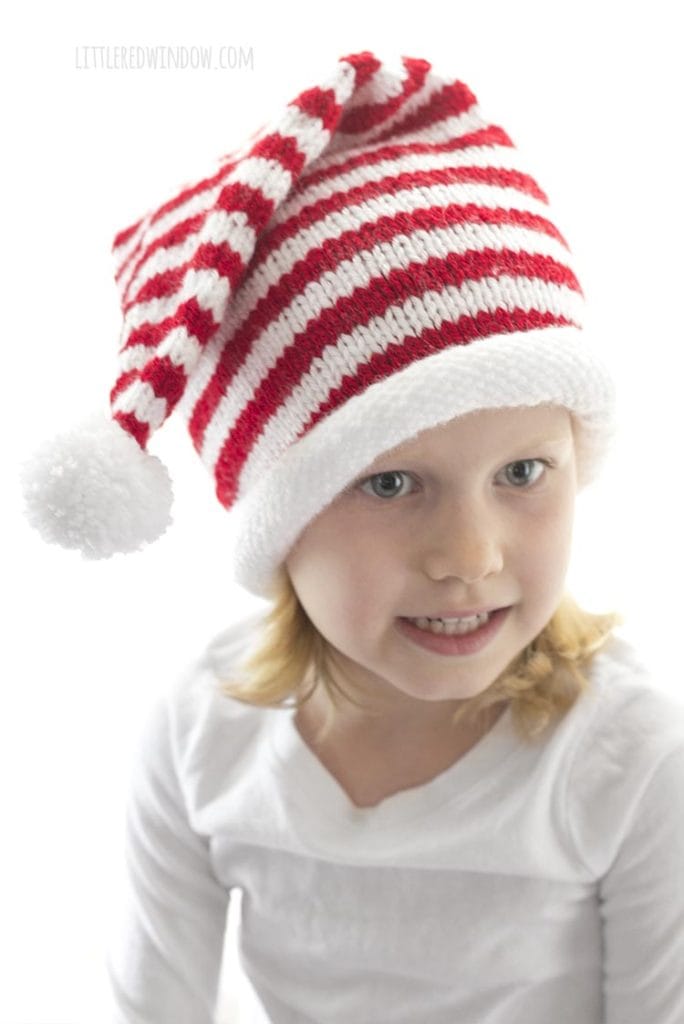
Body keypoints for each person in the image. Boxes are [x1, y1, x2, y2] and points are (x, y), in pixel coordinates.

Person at [19, 49, 684, 1024]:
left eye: (523, 472)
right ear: (279, 524)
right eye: (389, 481)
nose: (470, 554)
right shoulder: (203, 732)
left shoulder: (625, 753)